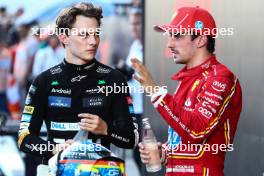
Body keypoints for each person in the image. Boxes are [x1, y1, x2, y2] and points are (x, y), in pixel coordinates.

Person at [18, 2, 138, 168]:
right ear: (64, 37)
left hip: (100, 171)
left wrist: (106, 129)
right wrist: (53, 148)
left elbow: (132, 140)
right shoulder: (43, 81)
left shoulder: (114, 79)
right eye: (84, 35)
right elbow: (24, 138)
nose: (93, 41)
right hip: (58, 170)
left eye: (96, 34)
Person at [134, 6, 242, 176]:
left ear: (200, 40)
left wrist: (155, 92)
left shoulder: (220, 78)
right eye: (170, 36)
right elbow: (185, 138)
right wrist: (163, 153)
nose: (169, 44)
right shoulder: (187, 79)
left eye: (177, 36)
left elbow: (197, 130)